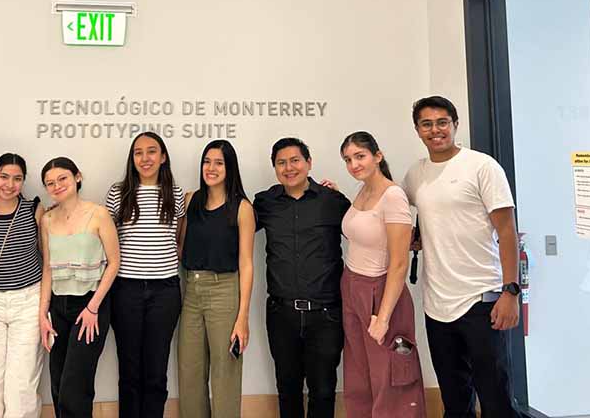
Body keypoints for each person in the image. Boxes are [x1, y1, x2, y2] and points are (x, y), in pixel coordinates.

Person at [402, 96, 522, 418]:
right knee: (455, 401)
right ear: (417, 130)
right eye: (426, 124)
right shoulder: (416, 174)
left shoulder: (482, 167)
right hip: (437, 304)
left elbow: (507, 232)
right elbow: (397, 208)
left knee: (496, 398)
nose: (435, 130)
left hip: (481, 298)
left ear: (455, 125)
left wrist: (511, 291)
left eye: (442, 122)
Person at [253, 137, 350, 418]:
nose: (289, 167)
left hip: (326, 315)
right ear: (275, 168)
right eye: (281, 163)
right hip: (281, 314)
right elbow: (234, 227)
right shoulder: (265, 202)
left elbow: (364, 228)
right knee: (287, 389)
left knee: (323, 391)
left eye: (295, 160)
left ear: (309, 163)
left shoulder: (332, 201)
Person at [339, 131, 426, 417]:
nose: (354, 164)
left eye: (360, 156)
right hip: (352, 285)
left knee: (390, 375)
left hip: (382, 290)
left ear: (378, 156)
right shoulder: (362, 191)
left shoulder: (393, 196)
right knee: (359, 376)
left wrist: (384, 316)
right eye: (348, 159)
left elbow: (399, 262)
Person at [105, 131, 185, 418]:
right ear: (132, 158)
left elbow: (178, 238)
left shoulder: (174, 193)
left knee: (155, 371)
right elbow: (107, 239)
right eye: (138, 152)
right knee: (129, 371)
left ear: (163, 157)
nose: (145, 158)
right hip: (126, 290)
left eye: (152, 151)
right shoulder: (118, 193)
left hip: (165, 291)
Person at [177, 140, 255, 418]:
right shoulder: (190, 200)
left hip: (224, 291)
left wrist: (242, 317)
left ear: (230, 167)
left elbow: (246, 264)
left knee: (225, 372)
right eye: (207, 161)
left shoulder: (242, 208)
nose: (211, 168)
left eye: (218, 163)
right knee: (189, 371)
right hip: (192, 291)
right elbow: (179, 245)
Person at [39, 157, 120, 418]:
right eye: (50, 183)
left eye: (62, 178)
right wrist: (43, 315)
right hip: (59, 306)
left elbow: (114, 262)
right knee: (58, 383)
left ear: (77, 177)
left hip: (90, 305)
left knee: (76, 387)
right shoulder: (47, 220)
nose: (57, 185)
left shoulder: (98, 214)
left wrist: (93, 307)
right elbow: (48, 269)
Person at [0, 153, 45, 417]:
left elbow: (47, 260)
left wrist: (45, 307)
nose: (9, 184)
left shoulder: (33, 209)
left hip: (28, 300)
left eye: (17, 178)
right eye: (3, 176)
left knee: (21, 383)